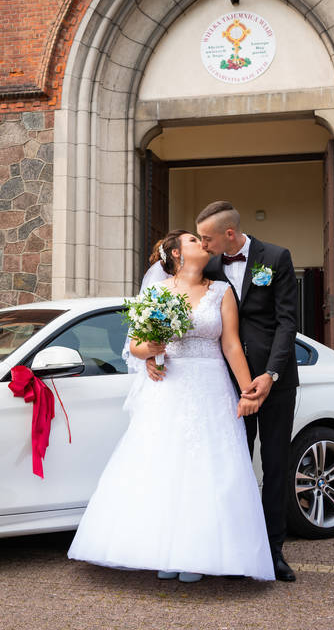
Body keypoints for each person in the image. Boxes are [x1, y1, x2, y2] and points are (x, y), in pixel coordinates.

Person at [67, 229, 275, 582]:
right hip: (169, 388)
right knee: (164, 467)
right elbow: (135, 345)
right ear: (177, 253)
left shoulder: (222, 292)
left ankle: (198, 555)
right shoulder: (157, 293)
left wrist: (247, 391)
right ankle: (164, 551)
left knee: (208, 470)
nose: (202, 245)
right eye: (194, 241)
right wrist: (151, 351)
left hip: (211, 387)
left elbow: (231, 346)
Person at [149, 200, 300, 582]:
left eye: (207, 237)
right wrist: (151, 354)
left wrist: (270, 376)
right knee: (233, 468)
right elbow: (176, 316)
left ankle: (274, 552)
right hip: (226, 384)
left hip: (273, 381)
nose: (204, 243)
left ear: (229, 234)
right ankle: (235, 550)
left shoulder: (276, 258)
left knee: (277, 465)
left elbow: (286, 324)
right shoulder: (209, 266)